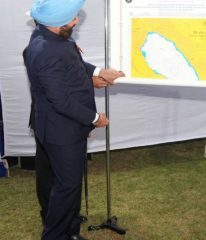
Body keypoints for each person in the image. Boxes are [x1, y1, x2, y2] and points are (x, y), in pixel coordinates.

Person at [23, 0, 124, 239]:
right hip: (61, 131)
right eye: (72, 18)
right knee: (67, 187)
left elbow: (71, 63)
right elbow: (62, 101)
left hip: (53, 126)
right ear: (57, 24)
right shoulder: (47, 50)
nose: (76, 20)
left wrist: (96, 72)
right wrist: (94, 118)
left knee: (59, 183)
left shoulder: (49, 35)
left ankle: (69, 231)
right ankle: (55, 235)